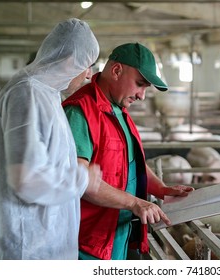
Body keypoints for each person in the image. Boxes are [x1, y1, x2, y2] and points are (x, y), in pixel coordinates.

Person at [0, 18, 102, 260]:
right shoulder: (27, 93)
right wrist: (81, 178)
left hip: (42, 239)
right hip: (26, 245)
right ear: (69, 60)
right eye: (87, 65)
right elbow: (25, 178)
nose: (88, 75)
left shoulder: (46, 93)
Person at [62, 42, 194, 260]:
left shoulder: (119, 111)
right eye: (140, 84)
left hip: (117, 235)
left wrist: (160, 188)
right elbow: (79, 180)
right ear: (116, 71)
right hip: (87, 242)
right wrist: (135, 203)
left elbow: (131, 164)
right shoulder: (80, 112)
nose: (142, 95)